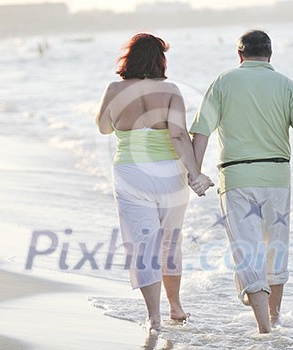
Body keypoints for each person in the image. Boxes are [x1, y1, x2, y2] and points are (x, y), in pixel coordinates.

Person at [190, 30, 293, 334]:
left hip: (237, 178)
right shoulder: (287, 85)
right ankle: (275, 320)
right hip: (278, 178)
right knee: (275, 250)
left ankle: (265, 329)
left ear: (239, 55)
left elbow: (201, 131)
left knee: (247, 252)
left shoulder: (223, 82)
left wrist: (195, 172)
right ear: (270, 55)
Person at [95, 33, 213, 332]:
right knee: (170, 242)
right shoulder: (171, 90)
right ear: (160, 60)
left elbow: (103, 128)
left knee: (143, 245)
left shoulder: (114, 89)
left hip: (130, 173)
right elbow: (177, 136)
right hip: (168, 175)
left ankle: (154, 316)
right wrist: (194, 173)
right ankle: (176, 306)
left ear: (129, 58)